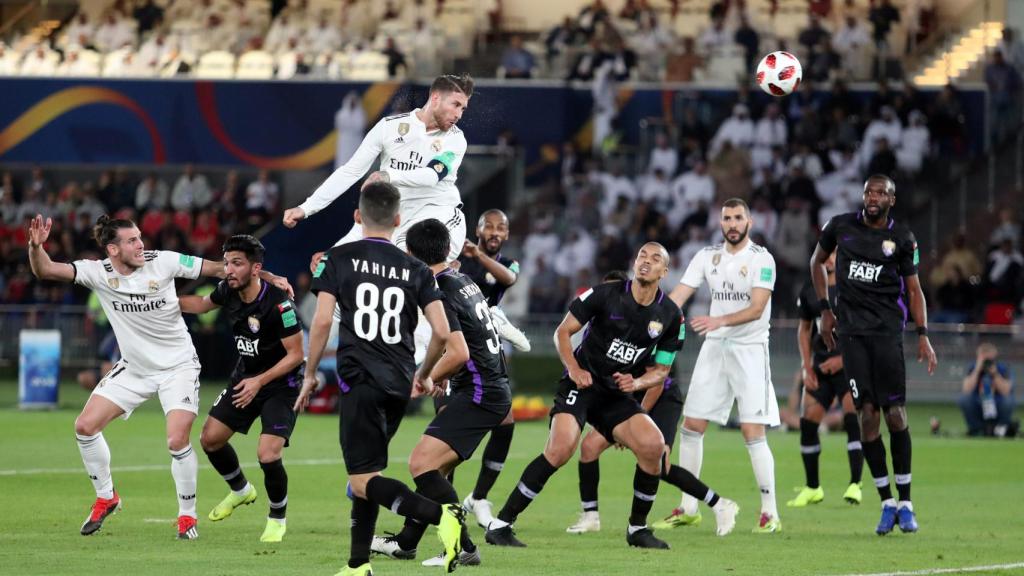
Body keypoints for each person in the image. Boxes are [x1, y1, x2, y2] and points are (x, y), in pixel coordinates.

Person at [25, 214, 290, 539]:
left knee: (177, 440)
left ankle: (187, 517)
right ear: (112, 249)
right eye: (132, 240)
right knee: (84, 427)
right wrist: (35, 246)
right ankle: (107, 496)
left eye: (140, 237)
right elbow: (46, 269)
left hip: (177, 367)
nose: (141, 244)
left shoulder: (163, 262)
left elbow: (219, 268)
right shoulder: (97, 273)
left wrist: (270, 276)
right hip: (134, 368)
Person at [484, 243, 739, 550]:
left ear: (664, 271)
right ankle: (501, 524)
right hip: (581, 385)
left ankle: (637, 529)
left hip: (616, 393)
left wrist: (637, 383)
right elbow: (563, 332)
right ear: (635, 262)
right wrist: (575, 369)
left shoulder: (671, 316)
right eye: (642, 255)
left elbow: (661, 371)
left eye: (655, 258)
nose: (646, 261)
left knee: (653, 446)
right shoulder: (605, 294)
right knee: (562, 448)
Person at [294, 182, 465, 575]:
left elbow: (321, 321)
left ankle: (442, 518)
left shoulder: (339, 258)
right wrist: (423, 375)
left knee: (361, 480)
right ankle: (358, 565)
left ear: (358, 216)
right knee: (368, 472)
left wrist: (309, 374)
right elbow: (440, 333)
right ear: (399, 220)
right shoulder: (417, 268)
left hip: (361, 379)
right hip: (399, 382)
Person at [371, 218, 513, 567]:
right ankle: (406, 542)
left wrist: (427, 376)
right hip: (488, 388)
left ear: (412, 256)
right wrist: (431, 374)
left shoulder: (438, 288)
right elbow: (445, 337)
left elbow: (460, 352)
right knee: (436, 471)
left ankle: (463, 547)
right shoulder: (460, 279)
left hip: (480, 393)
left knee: (420, 464)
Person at [810, 174, 938, 535]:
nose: (873, 197)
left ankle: (907, 502)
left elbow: (914, 291)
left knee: (895, 414)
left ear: (891, 200)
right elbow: (815, 263)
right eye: (869, 191)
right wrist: (825, 309)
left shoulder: (902, 239)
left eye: (881, 192)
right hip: (851, 335)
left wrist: (923, 335)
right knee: (867, 415)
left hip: (886, 335)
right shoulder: (840, 227)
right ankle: (886, 502)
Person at [655, 198, 782, 534]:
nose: (732, 224)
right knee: (692, 426)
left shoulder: (762, 259)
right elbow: (679, 295)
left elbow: (757, 308)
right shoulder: (706, 256)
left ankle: (770, 513)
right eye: (727, 218)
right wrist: (651, 321)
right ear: (720, 222)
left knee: (752, 431)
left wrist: (718, 320)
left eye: (738, 218)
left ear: (750, 222)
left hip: (750, 351)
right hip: (714, 350)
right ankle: (688, 506)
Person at [177, 235, 304, 543]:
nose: (228, 269)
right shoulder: (227, 291)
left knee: (267, 454)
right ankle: (241, 490)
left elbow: (296, 355)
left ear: (256, 268)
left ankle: (277, 517)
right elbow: (202, 305)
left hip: (280, 386)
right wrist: (161, 302)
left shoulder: (279, 304)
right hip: (244, 377)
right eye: (226, 262)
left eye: (236, 263)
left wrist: (260, 381)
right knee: (210, 439)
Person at [283, 74, 473, 264]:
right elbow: (350, 171)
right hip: (389, 216)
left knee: (404, 261)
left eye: (463, 108)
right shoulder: (389, 127)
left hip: (436, 218)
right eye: (455, 105)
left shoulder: (455, 140)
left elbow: (431, 175)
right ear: (436, 98)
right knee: (326, 266)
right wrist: (306, 208)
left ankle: (445, 279)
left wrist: (387, 175)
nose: (459, 115)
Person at [563, 270, 685, 535]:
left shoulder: (651, 327)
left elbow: (657, 382)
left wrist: (633, 421)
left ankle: (716, 503)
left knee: (659, 457)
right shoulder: (606, 333)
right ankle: (591, 515)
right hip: (622, 400)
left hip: (658, 398)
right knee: (589, 448)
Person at [455, 209, 528, 528]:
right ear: (478, 228)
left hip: (486, 347)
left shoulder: (506, 264)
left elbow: (508, 279)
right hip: (455, 345)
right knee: (450, 431)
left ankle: (477, 497)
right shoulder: (457, 256)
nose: (495, 231)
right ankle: (444, 504)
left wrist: (477, 255)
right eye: (489, 226)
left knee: (505, 420)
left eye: (501, 228)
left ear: (507, 234)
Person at [789, 252, 864, 508]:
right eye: (826, 253)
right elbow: (804, 329)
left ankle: (855, 484)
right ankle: (813, 488)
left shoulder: (853, 286)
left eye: (834, 253)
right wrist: (806, 367)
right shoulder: (811, 288)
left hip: (850, 366)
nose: (829, 259)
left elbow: (864, 330)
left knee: (853, 419)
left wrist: (843, 359)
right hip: (820, 367)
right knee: (808, 423)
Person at [960, 343, 1016, 437]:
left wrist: (995, 374)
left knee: (1008, 400)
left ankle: (1001, 429)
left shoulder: (1002, 368)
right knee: (964, 399)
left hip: (998, 401)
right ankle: (976, 429)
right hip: (978, 401)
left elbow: (1006, 391)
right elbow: (966, 390)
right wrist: (977, 370)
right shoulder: (973, 368)